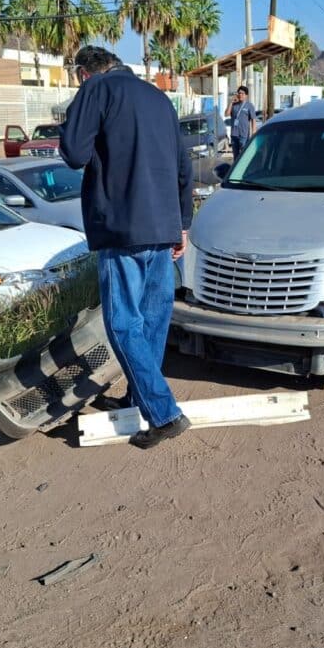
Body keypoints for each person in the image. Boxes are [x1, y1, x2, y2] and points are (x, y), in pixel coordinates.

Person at [59, 45, 193, 450]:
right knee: (152, 321)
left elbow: (73, 153)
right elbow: (184, 166)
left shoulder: (96, 89)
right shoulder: (157, 97)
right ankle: (140, 399)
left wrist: (79, 112)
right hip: (163, 227)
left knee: (122, 323)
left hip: (122, 227)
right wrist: (182, 226)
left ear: (84, 73)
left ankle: (164, 413)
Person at [229, 86, 256, 159]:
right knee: (236, 156)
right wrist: (231, 102)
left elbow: (253, 119)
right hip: (234, 135)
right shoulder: (234, 105)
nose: (240, 95)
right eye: (239, 93)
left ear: (246, 95)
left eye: (242, 93)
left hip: (243, 135)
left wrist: (253, 133)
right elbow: (227, 113)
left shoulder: (249, 106)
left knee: (244, 156)